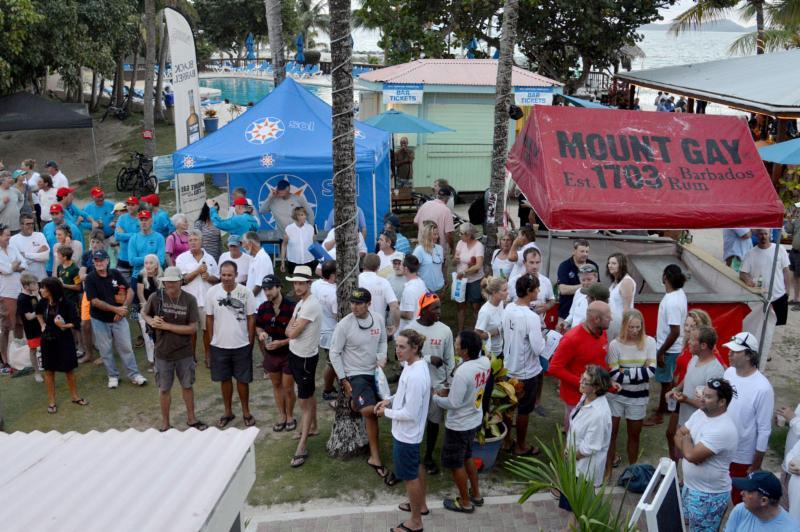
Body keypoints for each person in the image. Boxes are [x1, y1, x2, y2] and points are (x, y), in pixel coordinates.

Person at [329, 287, 396, 485]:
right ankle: (375, 457)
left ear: (369, 304)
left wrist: (382, 357)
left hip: (375, 373)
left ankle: (374, 454)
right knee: (370, 411)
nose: (354, 307)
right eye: (353, 303)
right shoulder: (344, 325)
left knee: (382, 407)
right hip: (356, 374)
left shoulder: (378, 319)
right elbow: (334, 353)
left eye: (359, 303)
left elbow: (383, 341)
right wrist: (343, 380)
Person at [375, 329, 431, 532]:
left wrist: (385, 413)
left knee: (410, 477)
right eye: (396, 346)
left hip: (407, 434)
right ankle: (421, 506)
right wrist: (389, 400)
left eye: (402, 347)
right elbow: (403, 394)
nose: (397, 351)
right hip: (409, 434)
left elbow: (410, 413)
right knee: (416, 467)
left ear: (414, 348)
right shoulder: (412, 364)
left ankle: (415, 522)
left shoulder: (416, 375)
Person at [142, 266, 206, 431]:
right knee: (164, 389)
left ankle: (191, 419)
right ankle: (165, 424)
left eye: (173, 281)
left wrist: (166, 326)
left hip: (184, 352)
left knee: (187, 386)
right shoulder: (156, 297)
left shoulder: (190, 300)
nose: (169, 284)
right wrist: (151, 322)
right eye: (166, 281)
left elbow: (192, 328)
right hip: (162, 352)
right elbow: (143, 313)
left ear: (180, 282)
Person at [433, 330, 491, 513]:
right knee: (467, 457)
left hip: (458, 424)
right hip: (474, 419)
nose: (455, 346)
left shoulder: (463, 371)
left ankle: (465, 503)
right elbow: (468, 390)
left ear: (465, 350)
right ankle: (476, 495)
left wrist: (435, 397)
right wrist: (451, 390)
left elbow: (453, 403)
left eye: (457, 344)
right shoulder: (485, 362)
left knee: (455, 463)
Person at [677, 377, 739, 532]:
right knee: (685, 526)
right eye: (703, 394)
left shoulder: (722, 428)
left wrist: (687, 446)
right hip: (690, 487)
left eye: (708, 397)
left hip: (708, 496)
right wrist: (688, 447)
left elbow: (691, 456)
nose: (702, 399)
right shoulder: (700, 413)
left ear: (722, 402)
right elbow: (678, 434)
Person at [723, 332, 775, 505]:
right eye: (729, 350)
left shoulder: (763, 388)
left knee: (741, 501)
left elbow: (764, 429)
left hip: (742, 456)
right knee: (721, 494)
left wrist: (756, 464)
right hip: (722, 447)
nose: (729, 354)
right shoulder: (729, 373)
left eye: (735, 351)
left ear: (748, 355)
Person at [84, 249, 147, 388]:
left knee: (126, 347)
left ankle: (134, 374)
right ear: (93, 263)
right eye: (96, 261)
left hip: (119, 318)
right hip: (100, 319)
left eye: (101, 260)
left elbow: (130, 290)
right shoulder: (90, 278)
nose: (99, 263)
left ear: (107, 260)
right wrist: (115, 309)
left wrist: (123, 309)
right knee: (105, 350)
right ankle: (112, 376)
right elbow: (94, 301)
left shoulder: (115, 273)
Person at [407, 292, 455, 475]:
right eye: (435, 308)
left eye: (440, 307)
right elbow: (403, 358)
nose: (439, 311)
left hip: (437, 386)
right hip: (416, 385)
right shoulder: (411, 330)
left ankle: (428, 456)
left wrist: (449, 384)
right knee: (414, 421)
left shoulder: (445, 330)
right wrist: (427, 358)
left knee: (434, 422)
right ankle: (413, 456)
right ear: (424, 310)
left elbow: (450, 360)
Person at [205, 261, 257, 428]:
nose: (226, 278)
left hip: (241, 345)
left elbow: (251, 317)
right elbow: (209, 318)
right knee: (224, 380)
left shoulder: (246, 292)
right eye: (223, 274)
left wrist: (250, 341)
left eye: (230, 275)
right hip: (219, 346)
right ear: (220, 274)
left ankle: (246, 412)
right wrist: (212, 341)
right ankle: (228, 412)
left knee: (243, 381)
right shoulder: (212, 292)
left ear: (236, 275)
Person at [605, 309, 656, 478]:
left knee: (634, 435)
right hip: (616, 397)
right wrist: (639, 372)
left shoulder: (649, 342)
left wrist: (624, 372)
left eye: (638, 327)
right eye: (631, 327)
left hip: (638, 397)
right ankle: (607, 471)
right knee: (611, 434)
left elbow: (652, 372)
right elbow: (613, 374)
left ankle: (633, 472)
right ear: (624, 326)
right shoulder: (614, 344)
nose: (635, 331)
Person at [548, 301, 611, 431]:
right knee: (574, 437)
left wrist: (607, 381)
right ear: (596, 319)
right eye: (607, 316)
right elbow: (554, 367)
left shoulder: (601, 332)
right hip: (575, 397)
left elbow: (600, 359)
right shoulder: (571, 339)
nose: (612, 318)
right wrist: (583, 383)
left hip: (595, 393)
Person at [502, 274, 546, 455]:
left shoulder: (508, 308)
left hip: (507, 366)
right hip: (526, 371)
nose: (538, 291)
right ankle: (520, 446)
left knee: (507, 407)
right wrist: (544, 336)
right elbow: (538, 349)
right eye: (536, 289)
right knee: (524, 410)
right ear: (529, 291)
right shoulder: (532, 317)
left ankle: (506, 441)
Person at [560, 365, 613, 514]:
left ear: (596, 388)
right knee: (574, 505)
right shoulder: (586, 398)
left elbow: (591, 447)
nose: (580, 383)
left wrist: (571, 457)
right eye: (582, 379)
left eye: (585, 381)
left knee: (581, 506)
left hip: (584, 468)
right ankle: (570, 528)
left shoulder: (599, 414)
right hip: (575, 463)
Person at [285, 265, 322, 467]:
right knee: (307, 395)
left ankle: (302, 445)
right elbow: (287, 330)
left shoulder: (310, 305)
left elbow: (291, 332)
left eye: (301, 283)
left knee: (304, 401)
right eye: (295, 283)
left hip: (305, 357)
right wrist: (291, 329)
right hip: (297, 354)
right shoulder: (301, 303)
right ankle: (313, 427)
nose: (297, 287)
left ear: (309, 283)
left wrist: (291, 329)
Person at [35, 277, 88, 413]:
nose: (41, 290)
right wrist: (42, 325)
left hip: (64, 340)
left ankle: (75, 396)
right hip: (47, 340)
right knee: (48, 371)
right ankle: (52, 401)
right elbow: (38, 313)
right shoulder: (42, 302)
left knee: (69, 370)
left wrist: (63, 325)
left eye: (43, 288)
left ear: (51, 289)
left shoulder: (67, 304)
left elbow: (76, 322)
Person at [644, 264, 688, 426]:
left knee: (665, 382)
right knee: (668, 380)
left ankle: (660, 414)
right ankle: (669, 407)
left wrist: (661, 351)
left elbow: (675, 331)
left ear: (665, 278)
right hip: (671, 347)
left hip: (669, 348)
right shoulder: (679, 294)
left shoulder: (672, 302)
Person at [255, 274, 297, 432]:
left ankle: (290, 415)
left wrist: (282, 342)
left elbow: (299, 334)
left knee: (288, 387)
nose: (267, 292)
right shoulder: (263, 307)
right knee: (276, 385)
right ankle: (282, 416)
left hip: (288, 353)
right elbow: (259, 326)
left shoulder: (292, 307)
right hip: (271, 354)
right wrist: (261, 334)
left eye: (270, 288)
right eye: (265, 289)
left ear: (279, 287)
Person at [670, 326, 726, 430]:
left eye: (692, 340)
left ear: (703, 345)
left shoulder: (715, 371)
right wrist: (675, 390)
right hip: (684, 421)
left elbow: (710, 404)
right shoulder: (695, 358)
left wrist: (686, 400)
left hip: (699, 426)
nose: (688, 342)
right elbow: (688, 377)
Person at [176, 230, 219, 363]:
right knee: (191, 330)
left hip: (207, 300)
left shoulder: (210, 258)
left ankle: (208, 356)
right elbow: (182, 280)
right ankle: (191, 357)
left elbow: (217, 279)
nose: (193, 242)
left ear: (201, 241)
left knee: (208, 330)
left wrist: (209, 277)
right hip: (189, 301)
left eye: (195, 240)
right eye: (190, 240)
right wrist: (197, 271)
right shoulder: (181, 258)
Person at [740, 228, 792, 327]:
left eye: (765, 234)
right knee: (759, 326)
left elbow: (786, 271)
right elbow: (743, 273)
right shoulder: (751, 253)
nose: (763, 236)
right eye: (760, 234)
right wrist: (748, 280)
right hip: (760, 298)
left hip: (778, 296)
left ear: (770, 234)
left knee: (777, 327)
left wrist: (787, 292)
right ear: (757, 235)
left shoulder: (779, 249)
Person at [726, 471, 800, 531]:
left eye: (748, 491)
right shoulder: (740, 509)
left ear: (763, 501)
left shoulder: (790, 529)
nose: (741, 493)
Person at [311, 260, 339, 402]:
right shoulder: (334, 293)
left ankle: (332, 386)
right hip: (330, 332)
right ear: (333, 276)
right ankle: (327, 390)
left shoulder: (315, 285)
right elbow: (336, 315)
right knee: (332, 364)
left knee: (332, 361)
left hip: (319, 329)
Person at [0, 224, 26, 373]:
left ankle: (18, 356)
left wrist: (13, 267)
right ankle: (4, 360)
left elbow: (24, 263)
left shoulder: (12, 248)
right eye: (6, 235)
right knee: (6, 327)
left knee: (19, 323)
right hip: (5, 293)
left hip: (18, 291)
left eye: (9, 234)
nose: (9, 237)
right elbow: (7, 269)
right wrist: (13, 267)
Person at [556, 239, 598, 321]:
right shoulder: (564, 266)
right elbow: (563, 290)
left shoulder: (593, 265)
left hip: (587, 316)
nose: (585, 254)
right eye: (582, 251)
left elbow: (597, 287)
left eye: (587, 251)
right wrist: (585, 286)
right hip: (565, 313)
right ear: (574, 251)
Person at [359, 254, 400, 336]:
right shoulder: (384, 282)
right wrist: (396, 326)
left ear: (363, 265)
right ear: (378, 267)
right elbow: (394, 306)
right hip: (377, 328)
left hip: (358, 326)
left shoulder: (356, 280)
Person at [453, 223, 484, 331]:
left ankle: (476, 332)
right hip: (461, 281)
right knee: (460, 305)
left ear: (469, 235)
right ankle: (460, 331)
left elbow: (478, 265)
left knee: (475, 307)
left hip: (474, 280)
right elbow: (454, 261)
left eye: (461, 233)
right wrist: (455, 260)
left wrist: (464, 272)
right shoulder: (460, 243)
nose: (459, 235)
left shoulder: (478, 246)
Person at [136, 254, 162, 371]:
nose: (148, 265)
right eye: (146, 263)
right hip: (144, 310)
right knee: (148, 338)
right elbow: (140, 295)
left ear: (156, 265)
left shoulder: (162, 276)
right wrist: (147, 308)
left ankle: (161, 359)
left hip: (159, 311)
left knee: (161, 336)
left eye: (151, 263)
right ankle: (152, 361)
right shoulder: (141, 276)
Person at [558, 263, 599, 332]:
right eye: (583, 280)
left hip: (589, 333)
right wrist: (566, 322)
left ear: (596, 278)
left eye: (589, 279)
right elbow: (572, 313)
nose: (586, 283)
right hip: (575, 332)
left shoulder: (600, 294)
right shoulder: (578, 292)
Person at [414, 187, 455, 255]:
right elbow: (449, 234)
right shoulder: (446, 210)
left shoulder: (426, 204)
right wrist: (453, 248)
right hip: (438, 250)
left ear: (437, 195)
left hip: (422, 245)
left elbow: (415, 222)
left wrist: (425, 231)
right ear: (447, 199)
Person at [17, 273, 43, 382]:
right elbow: (28, 316)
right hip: (31, 329)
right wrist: (38, 310)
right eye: (34, 283)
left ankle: (49, 365)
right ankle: (37, 373)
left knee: (46, 345)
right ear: (26, 286)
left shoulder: (33, 295)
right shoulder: (22, 299)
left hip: (40, 325)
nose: (37, 285)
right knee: (33, 349)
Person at [607, 253, 636, 342]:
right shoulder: (614, 283)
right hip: (612, 324)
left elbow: (627, 308)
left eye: (614, 263)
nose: (610, 266)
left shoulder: (626, 281)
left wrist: (625, 329)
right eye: (609, 263)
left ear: (621, 265)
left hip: (620, 325)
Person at [11, 212, 49, 280]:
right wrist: (38, 254)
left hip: (41, 278)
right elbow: (18, 263)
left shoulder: (40, 235)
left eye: (32, 223)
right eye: (28, 224)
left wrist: (25, 255)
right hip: (25, 281)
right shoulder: (13, 240)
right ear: (21, 225)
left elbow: (46, 256)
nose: (31, 226)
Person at [475, 277, 508, 357]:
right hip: (488, 353)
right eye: (504, 290)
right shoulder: (485, 312)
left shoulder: (500, 303)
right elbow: (476, 333)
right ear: (494, 293)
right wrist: (492, 333)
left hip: (499, 349)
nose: (507, 292)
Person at [242, 231, 274, 307]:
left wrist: (247, 300)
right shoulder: (254, 258)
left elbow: (259, 285)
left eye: (244, 243)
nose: (243, 246)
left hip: (260, 304)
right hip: (255, 303)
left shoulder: (263, 258)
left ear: (250, 244)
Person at [281, 206, 316, 274]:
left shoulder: (310, 228)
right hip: (293, 262)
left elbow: (314, 245)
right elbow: (284, 245)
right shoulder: (289, 229)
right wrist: (283, 262)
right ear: (296, 216)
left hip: (308, 261)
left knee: (307, 283)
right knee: (295, 283)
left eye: (304, 215)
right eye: (302, 215)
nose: (304, 217)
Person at [413, 220, 445, 293]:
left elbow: (441, 267)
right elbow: (413, 270)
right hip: (425, 290)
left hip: (440, 287)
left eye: (437, 234)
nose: (437, 236)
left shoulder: (439, 248)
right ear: (427, 235)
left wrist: (444, 282)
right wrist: (421, 286)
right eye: (434, 234)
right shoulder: (419, 250)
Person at [398, 255, 427, 332]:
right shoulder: (421, 282)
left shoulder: (409, 290)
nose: (399, 266)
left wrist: (396, 311)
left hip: (411, 330)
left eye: (401, 264)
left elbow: (409, 315)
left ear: (406, 269)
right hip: (420, 326)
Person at [114, 196, 141, 279]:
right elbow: (117, 236)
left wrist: (125, 234)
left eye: (132, 205)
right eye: (128, 204)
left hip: (138, 257)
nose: (130, 207)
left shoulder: (142, 218)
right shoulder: (122, 218)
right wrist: (134, 235)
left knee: (138, 284)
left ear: (138, 206)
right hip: (123, 257)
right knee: (122, 285)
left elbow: (143, 236)